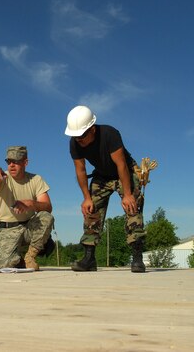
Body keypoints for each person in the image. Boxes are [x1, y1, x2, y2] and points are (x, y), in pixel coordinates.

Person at [64, 105, 146, 273]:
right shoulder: (75, 142)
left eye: (82, 136)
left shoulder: (110, 134)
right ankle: (89, 259)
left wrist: (128, 194)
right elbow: (80, 170)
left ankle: (137, 258)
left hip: (125, 173)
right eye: (75, 136)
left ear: (92, 129)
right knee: (91, 209)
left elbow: (121, 164)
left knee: (132, 207)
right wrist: (86, 197)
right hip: (101, 175)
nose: (79, 140)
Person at [0, 146, 54, 271]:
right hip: (7, 229)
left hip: (28, 227)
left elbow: (48, 207)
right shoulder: (3, 178)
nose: (12, 165)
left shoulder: (36, 179)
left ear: (25, 162)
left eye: (16, 161)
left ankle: (30, 257)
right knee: (4, 264)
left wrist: (31, 204)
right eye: (9, 162)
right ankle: (13, 257)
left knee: (46, 217)